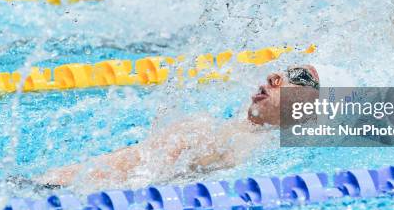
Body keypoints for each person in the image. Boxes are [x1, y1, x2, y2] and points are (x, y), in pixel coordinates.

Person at [33, 64, 323, 188]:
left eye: (289, 78)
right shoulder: (229, 130)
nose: (272, 77)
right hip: (55, 185)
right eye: (279, 73)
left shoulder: (247, 147)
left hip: (67, 192)